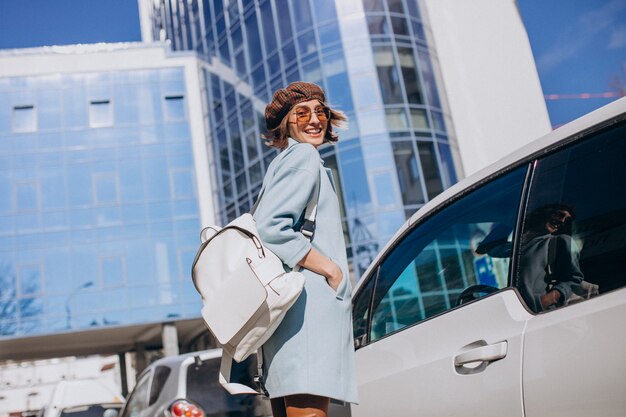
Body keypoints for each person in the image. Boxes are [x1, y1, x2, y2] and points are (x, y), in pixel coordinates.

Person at [252, 82, 358, 417]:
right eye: (302, 112)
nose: (315, 120)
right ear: (286, 122)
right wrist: (330, 269)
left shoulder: (284, 161)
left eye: (320, 112)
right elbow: (270, 227)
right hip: (307, 309)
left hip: (293, 310)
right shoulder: (303, 156)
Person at [518, 204, 585, 312]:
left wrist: (545, 301)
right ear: (546, 211)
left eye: (567, 220)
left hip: (534, 314)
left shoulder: (561, 242)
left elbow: (573, 278)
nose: (562, 221)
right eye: (559, 215)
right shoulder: (518, 242)